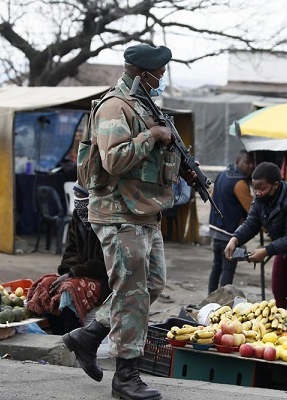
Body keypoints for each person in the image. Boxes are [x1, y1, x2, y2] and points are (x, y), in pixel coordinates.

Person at [62, 43, 192, 400]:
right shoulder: (115, 106)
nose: (162, 78)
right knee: (131, 293)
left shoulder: (144, 104)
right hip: (120, 213)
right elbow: (115, 159)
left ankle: (87, 336)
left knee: (150, 284)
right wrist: (152, 136)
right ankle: (126, 375)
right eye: (159, 72)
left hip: (145, 212)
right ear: (141, 71)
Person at [224, 162, 287, 308]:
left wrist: (266, 251)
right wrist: (235, 239)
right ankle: (281, 328)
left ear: (276, 185)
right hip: (284, 250)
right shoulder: (260, 199)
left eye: (262, 188)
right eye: (255, 188)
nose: (258, 192)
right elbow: (251, 223)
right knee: (279, 294)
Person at [26, 182, 110, 335]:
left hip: (102, 278)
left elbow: (103, 263)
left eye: (81, 196)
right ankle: (57, 338)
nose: (77, 200)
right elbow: (71, 250)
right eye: (76, 196)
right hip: (78, 274)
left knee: (69, 289)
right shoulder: (78, 217)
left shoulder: (105, 221)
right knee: (48, 284)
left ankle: (72, 339)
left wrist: (73, 273)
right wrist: (66, 272)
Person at [207, 150, 255, 294]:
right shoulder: (240, 182)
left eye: (252, 163)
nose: (251, 166)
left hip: (216, 230)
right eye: (247, 162)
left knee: (216, 266)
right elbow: (252, 211)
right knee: (227, 269)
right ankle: (222, 304)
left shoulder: (223, 174)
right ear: (238, 162)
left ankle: (210, 299)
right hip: (229, 234)